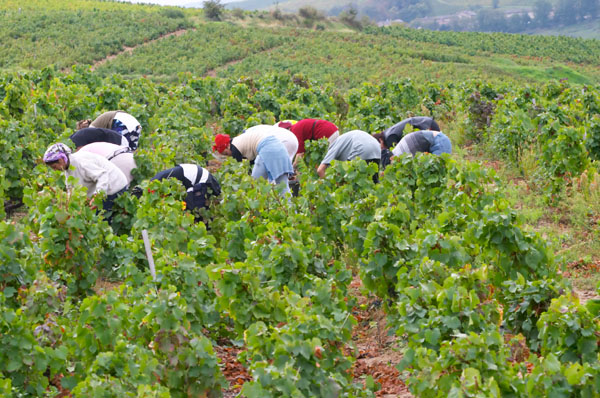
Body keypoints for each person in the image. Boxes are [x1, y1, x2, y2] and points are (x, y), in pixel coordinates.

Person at [42, 143, 129, 216]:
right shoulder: (68, 169)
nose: (54, 170)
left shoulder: (81, 162)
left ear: (61, 160)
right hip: (105, 188)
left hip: (115, 185)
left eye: (54, 166)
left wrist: (97, 196)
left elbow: (102, 175)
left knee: (101, 218)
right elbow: (71, 190)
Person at [213, 133, 294, 196]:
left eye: (226, 153)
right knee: (283, 187)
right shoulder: (241, 141)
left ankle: (257, 212)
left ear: (227, 146)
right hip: (280, 148)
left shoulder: (234, 148)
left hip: (268, 149)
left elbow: (242, 171)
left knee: (253, 185)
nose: (229, 156)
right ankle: (290, 212)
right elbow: (252, 162)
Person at [150, 164, 221, 221]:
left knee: (195, 208)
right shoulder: (158, 180)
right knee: (189, 205)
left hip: (202, 179)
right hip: (193, 177)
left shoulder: (160, 183)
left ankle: (204, 227)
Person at [77, 111, 142, 150]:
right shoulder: (97, 124)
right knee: (130, 153)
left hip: (120, 123)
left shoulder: (90, 129)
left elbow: (93, 145)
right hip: (135, 124)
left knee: (118, 151)